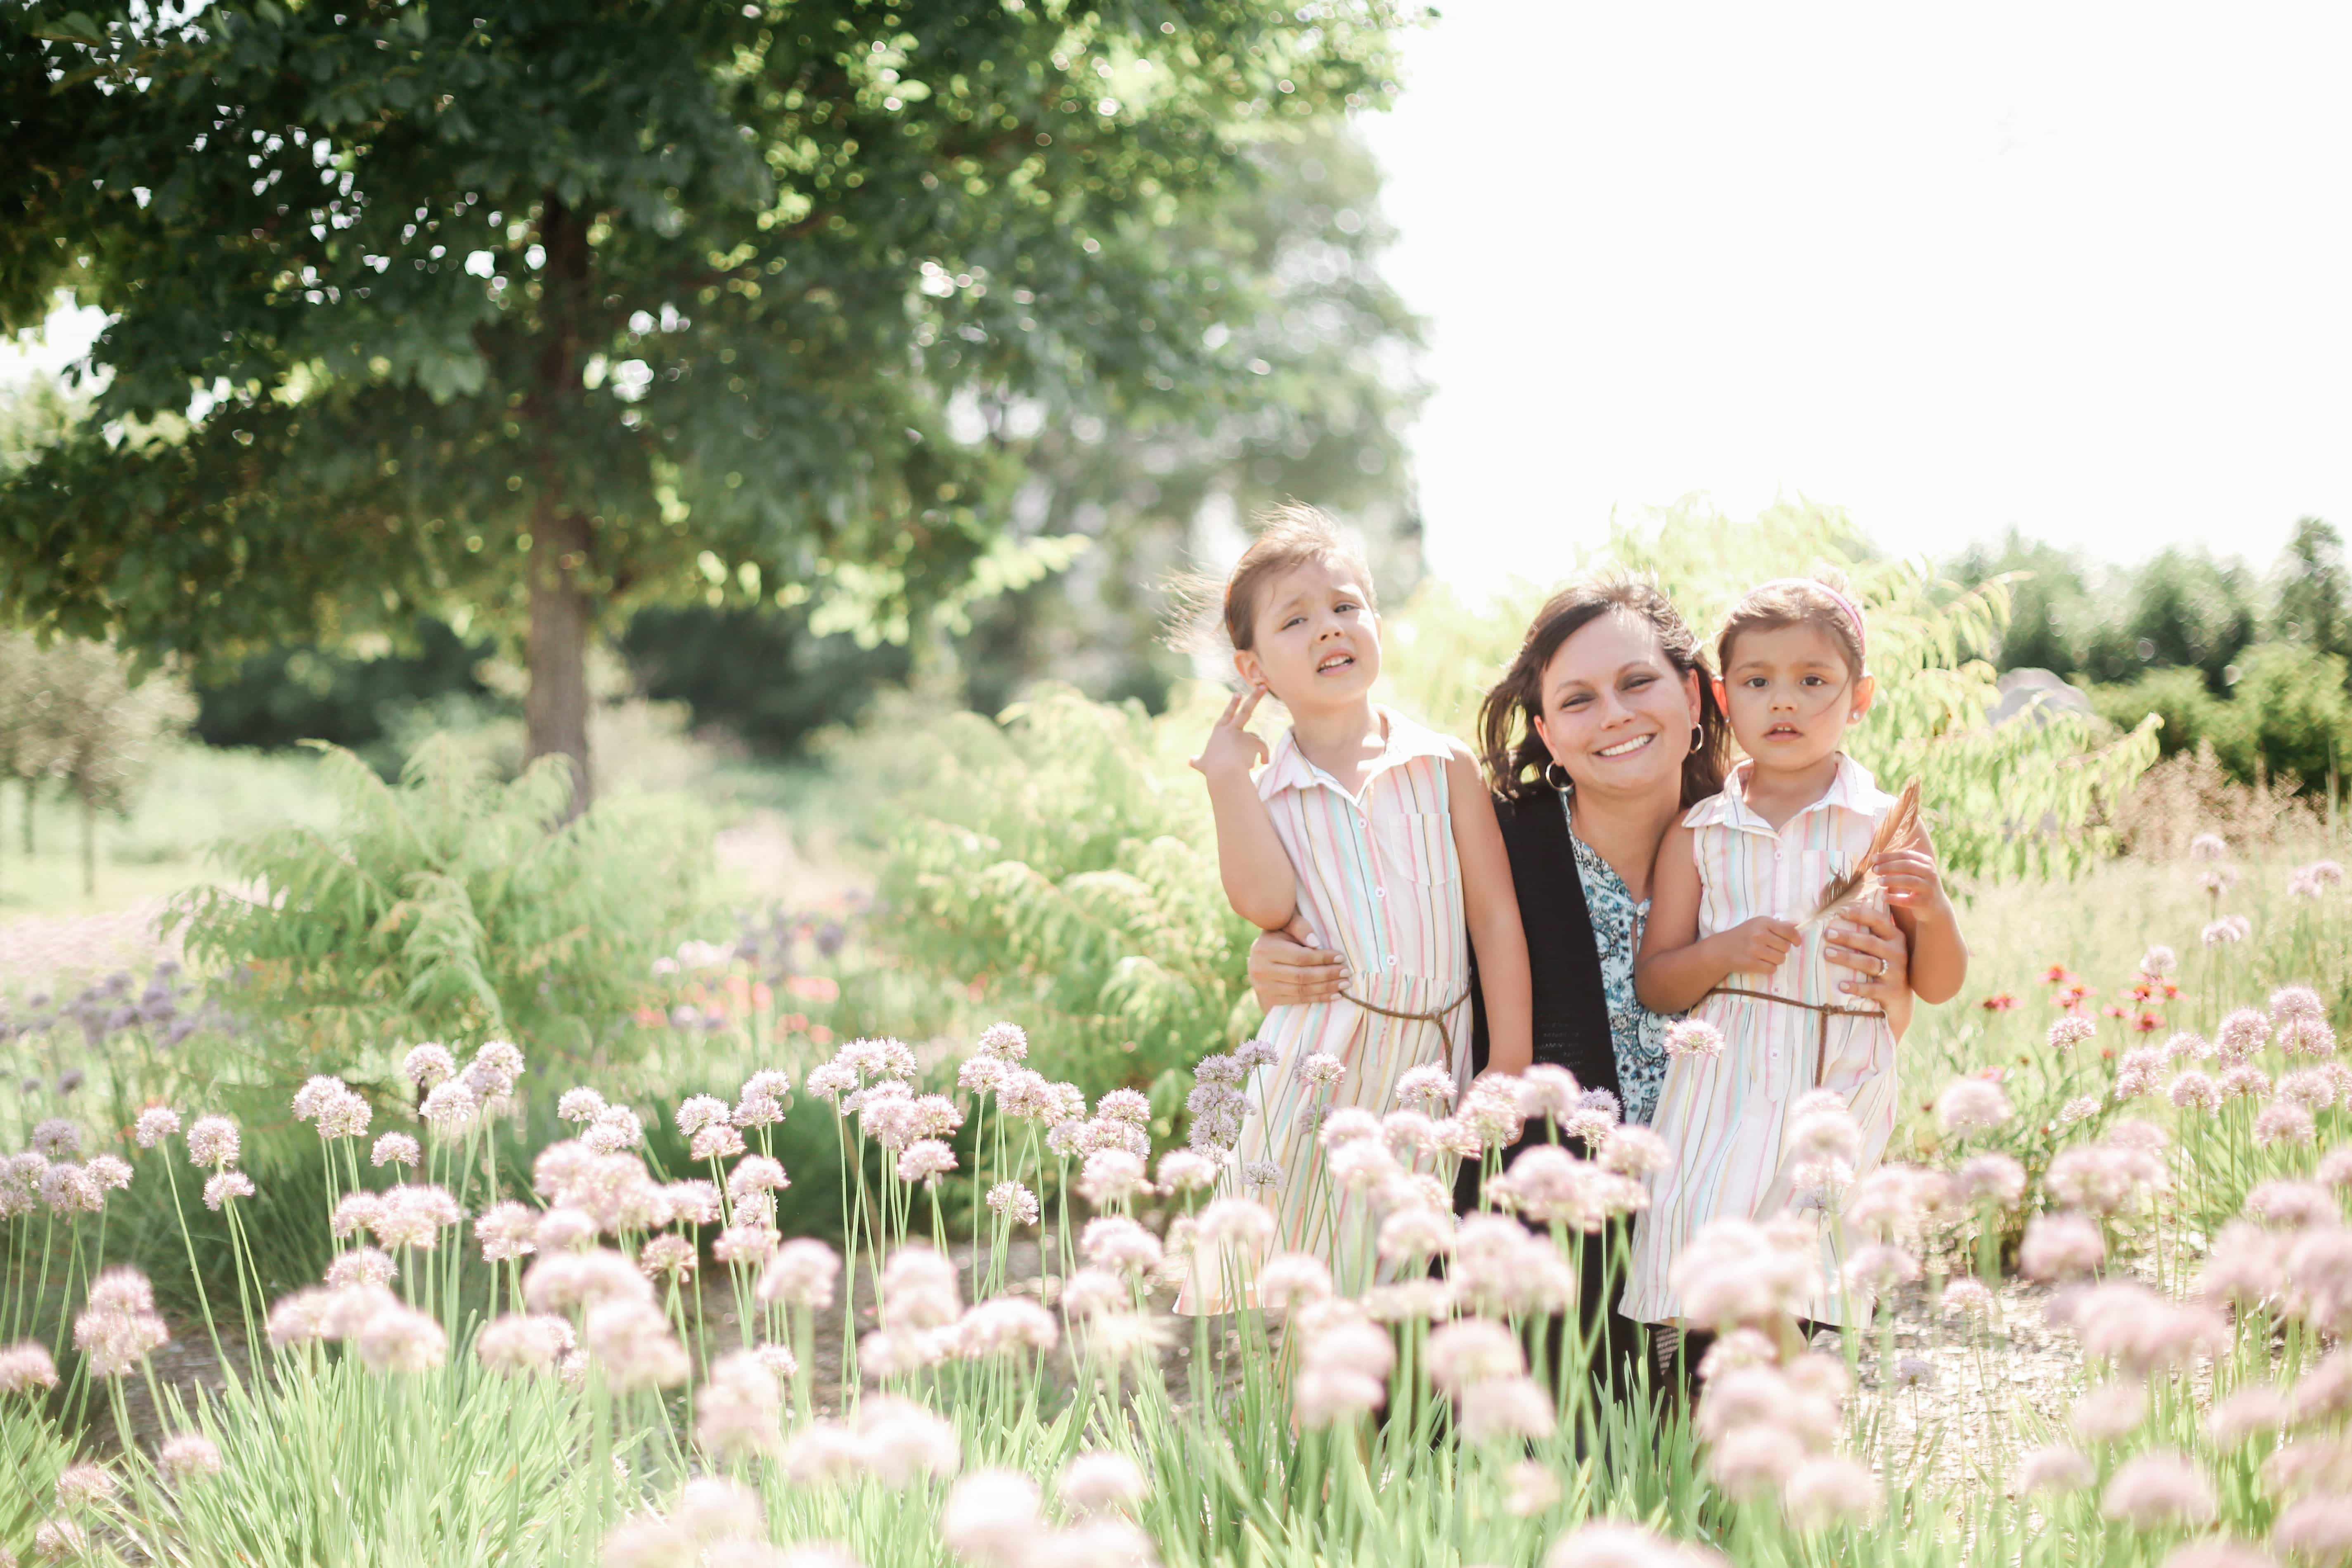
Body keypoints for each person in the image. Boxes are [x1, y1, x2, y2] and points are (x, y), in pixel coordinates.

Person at [1245, 578, 1917, 1388]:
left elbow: (1858, 1029)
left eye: (1637, 683)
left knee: (1712, 1467)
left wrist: (1893, 987)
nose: (1614, 715)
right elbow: (1373, 937)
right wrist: (1273, 959)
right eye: (1577, 700)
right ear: (1546, 733)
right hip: (1532, 1255)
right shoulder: (1493, 844)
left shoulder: (1761, 839)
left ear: (1696, 696)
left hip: (1722, 1238)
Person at [1181, 506, 1533, 1313]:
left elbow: (1494, 917)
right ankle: (1320, 1438)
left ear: (1375, 621)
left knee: (1410, 1282)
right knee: (1320, 1288)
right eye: (1294, 620)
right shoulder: (1267, 790)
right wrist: (1226, 778)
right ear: (1252, 667)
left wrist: (1506, 1057)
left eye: (1345, 607)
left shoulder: (1440, 764)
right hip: (1323, 1061)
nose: (1327, 630)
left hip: (1433, 1056)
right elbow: (1264, 906)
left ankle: (1398, 1439)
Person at [1625, 574, 1967, 1340]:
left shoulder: (1882, 826)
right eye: (1757, 682)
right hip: (1721, 1082)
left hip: (1834, 1080)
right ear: (1720, 699)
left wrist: (1933, 910)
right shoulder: (1699, 832)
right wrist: (1724, 951)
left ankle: (1785, 1431)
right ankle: (1695, 1434)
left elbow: (1939, 984)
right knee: (1704, 1265)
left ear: (1859, 697)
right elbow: (1656, 982)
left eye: (1812, 681)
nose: (1783, 701)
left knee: (1797, 1275)